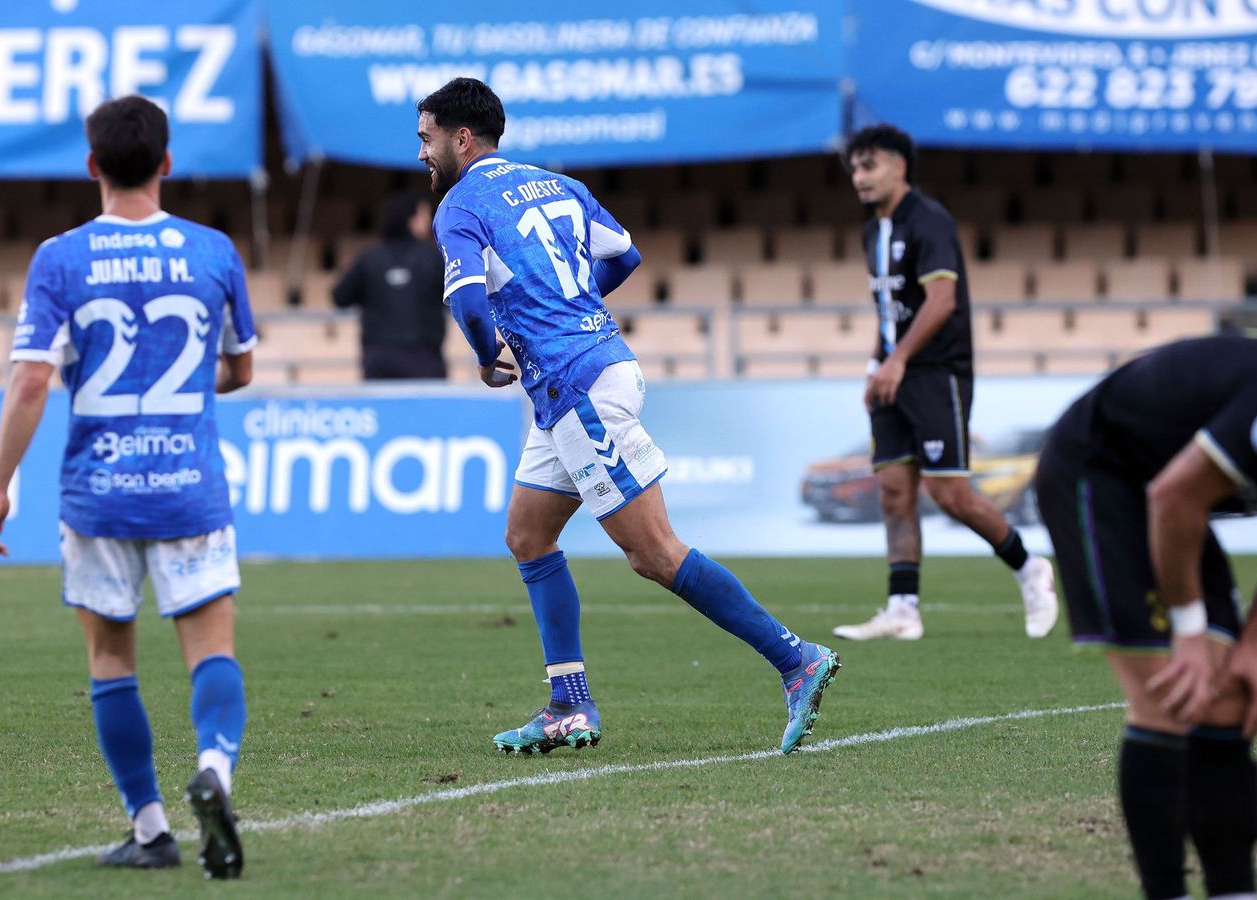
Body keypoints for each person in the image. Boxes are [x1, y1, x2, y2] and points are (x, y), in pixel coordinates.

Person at [418, 77, 840, 757]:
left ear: (461, 139)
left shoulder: (460, 205)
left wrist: (486, 349)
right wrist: (571, 306)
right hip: (581, 377)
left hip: (576, 386)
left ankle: (797, 660)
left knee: (654, 553)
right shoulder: (557, 185)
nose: (422, 153)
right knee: (528, 535)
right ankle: (568, 705)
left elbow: (468, 300)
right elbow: (624, 254)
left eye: (426, 138)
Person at [0, 96, 254, 879]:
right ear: (166, 164)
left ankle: (152, 827)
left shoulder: (59, 258)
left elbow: (31, 382)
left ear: (92, 165)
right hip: (189, 485)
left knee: (112, 660)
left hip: (99, 492)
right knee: (211, 648)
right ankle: (217, 772)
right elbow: (241, 369)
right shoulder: (213, 251)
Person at [1034, 335, 1257, 900]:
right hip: (1100, 470)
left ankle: (1234, 890)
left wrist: (1252, 645)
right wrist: (1187, 631)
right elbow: (1173, 496)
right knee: (1168, 695)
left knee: (1227, 698)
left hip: (1169, 490)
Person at [834, 123, 1059, 642]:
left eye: (870, 166)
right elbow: (891, 312)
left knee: (949, 492)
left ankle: (1030, 569)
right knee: (893, 490)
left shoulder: (929, 221)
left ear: (899, 166)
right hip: (893, 373)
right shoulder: (873, 232)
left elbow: (941, 302)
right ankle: (903, 609)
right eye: (855, 169)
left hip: (937, 373)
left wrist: (898, 362)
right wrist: (876, 365)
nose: (860, 177)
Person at [331, 191, 447, 380]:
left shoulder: (368, 259)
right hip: (425, 360)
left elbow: (340, 297)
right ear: (412, 219)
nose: (429, 221)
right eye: (425, 215)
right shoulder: (433, 258)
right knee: (428, 410)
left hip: (379, 360)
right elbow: (457, 299)